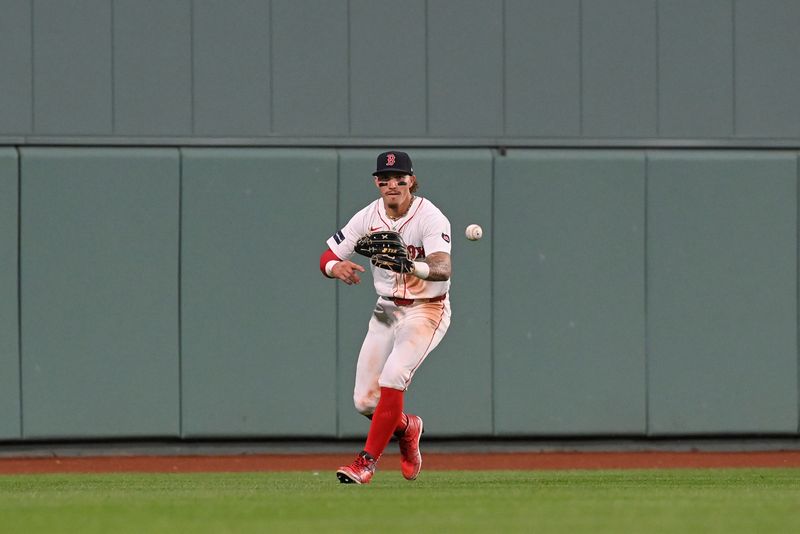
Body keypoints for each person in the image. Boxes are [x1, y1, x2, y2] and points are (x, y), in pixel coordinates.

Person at [319, 150, 452, 484]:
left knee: (393, 377)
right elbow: (327, 255)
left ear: (412, 180)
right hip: (386, 310)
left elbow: (443, 267)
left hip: (427, 309)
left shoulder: (430, 217)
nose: (392, 184)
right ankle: (408, 428)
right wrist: (337, 267)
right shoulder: (367, 216)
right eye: (385, 178)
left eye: (399, 178)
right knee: (365, 401)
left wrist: (411, 265)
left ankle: (365, 463)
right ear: (376, 181)